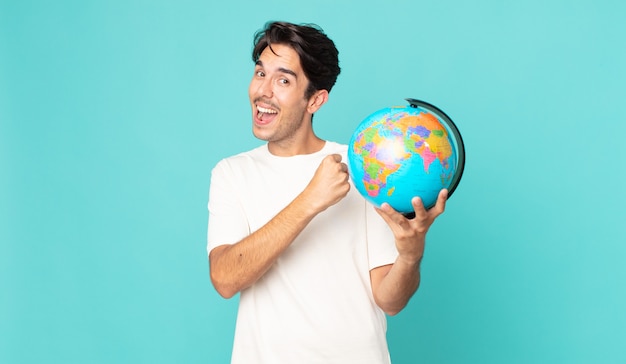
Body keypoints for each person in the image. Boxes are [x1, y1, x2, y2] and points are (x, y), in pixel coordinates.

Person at [206, 21, 448, 364]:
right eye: (261, 73)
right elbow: (226, 278)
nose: (263, 91)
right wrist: (310, 200)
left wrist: (410, 255)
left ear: (315, 100)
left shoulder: (364, 168)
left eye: (283, 80)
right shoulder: (231, 173)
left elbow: (390, 301)